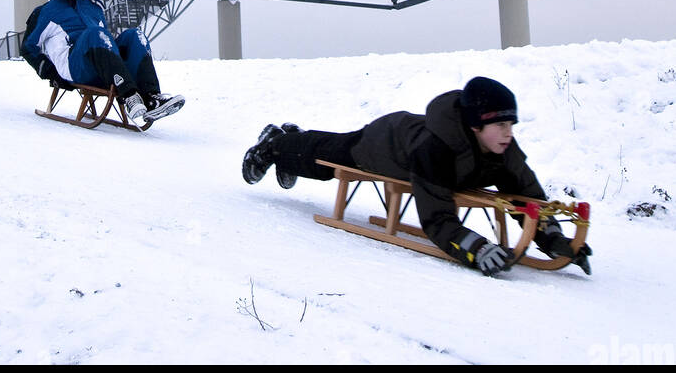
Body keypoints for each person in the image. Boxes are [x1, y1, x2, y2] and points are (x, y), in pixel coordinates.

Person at [241, 76, 591, 276]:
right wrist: (475, 248)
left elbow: (528, 199)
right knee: (328, 161)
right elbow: (436, 218)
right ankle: (275, 146)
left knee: (329, 148)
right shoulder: (435, 150)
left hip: (406, 134)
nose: (508, 132)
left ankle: (289, 138)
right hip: (384, 144)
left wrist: (557, 242)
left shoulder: (502, 147)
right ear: (475, 125)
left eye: (510, 124)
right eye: (500, 124)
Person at [21, 0, 185, 127]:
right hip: (74, 67)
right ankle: (129, 95)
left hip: (102, 68)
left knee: (135, 35)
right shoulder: (46, 12)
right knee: (94, 34)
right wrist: (49, 72)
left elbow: (106, 43)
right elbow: (27, 47)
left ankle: (151, 97)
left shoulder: (93, 7)